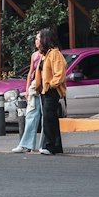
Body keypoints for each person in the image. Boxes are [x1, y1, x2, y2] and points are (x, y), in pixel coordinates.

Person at [11, 31, 44, 154]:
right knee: (31, 116)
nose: (36, 41)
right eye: (35, 39)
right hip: (35, 89)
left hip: (45, 89)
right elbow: (31, 73)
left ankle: (44, 145)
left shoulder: (48, 54)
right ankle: (26, 144)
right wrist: (27, 89)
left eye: (38, 39)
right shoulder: (34, 55)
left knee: (45, 119)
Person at [37, 26, 67, 155]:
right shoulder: (43, 55)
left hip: (51, 91)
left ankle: (50, 145)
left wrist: (50, 85)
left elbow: (60, 73)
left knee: (49, 118)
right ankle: (56, 145)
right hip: (44, 91)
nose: (36, 41)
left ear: (44, 39)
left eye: (38, 38)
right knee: (51, 118)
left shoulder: (54, 53)